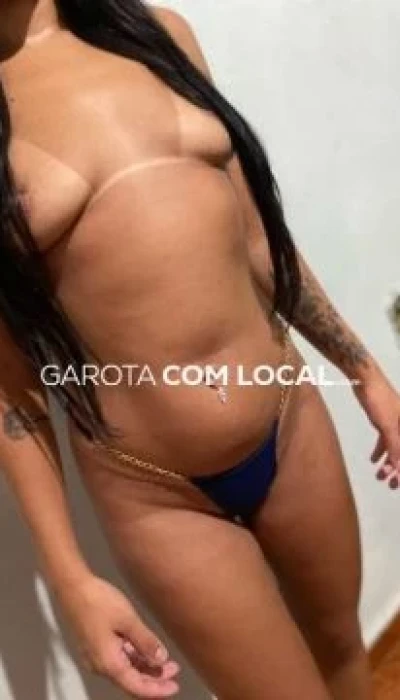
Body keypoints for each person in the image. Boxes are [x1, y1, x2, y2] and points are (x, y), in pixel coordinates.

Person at [0, 1, 399, 698]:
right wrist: (70, 578)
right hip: (158, 494)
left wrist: (364, 371)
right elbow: (11, 389)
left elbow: (257, 241)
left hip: (291, 421)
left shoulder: (155, 32)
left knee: (344, 653)